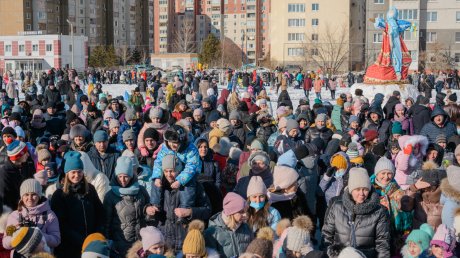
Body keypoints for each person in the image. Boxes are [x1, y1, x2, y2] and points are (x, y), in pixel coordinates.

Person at [322, 167, 390, 258]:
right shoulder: (337, 207)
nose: (361, 193)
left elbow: (382, 243)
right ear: (351, 190)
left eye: (365, 189)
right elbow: (327, 235)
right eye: (357, 189)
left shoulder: (378, 212)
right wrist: (330, 254)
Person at [149, 154, 212, 252]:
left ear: (180, 171)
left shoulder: (194, 186)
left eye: (172, 171)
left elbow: (207, 210)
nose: (169, 174)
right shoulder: (159, 187)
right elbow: (150, 207)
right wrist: (148, 209)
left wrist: (189, 212)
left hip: (186, 242)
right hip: (165, 244)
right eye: (166, 171)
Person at [50, 151, 105, 258]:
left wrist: (97, 234)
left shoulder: (90, 189)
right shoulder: (60, 195)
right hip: (69, 247)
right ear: (67, 174)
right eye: (73, 172)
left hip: (91, 244)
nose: (77, 175)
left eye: (79, 172)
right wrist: (80, 239)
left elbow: (100, 212)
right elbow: (61, 223)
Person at [103, 156, 152, 258]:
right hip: (120, 243)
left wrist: (149, 211)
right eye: (120, 176)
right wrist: (108, 242)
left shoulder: (141, 190)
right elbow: (106, 222)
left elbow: (148, 211)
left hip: (140, 242)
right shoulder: (110, 195)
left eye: (126, 176)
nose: (123, 180)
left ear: (131, 176)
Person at [151, 125, 201, 221]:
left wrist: (180, 180)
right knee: (155, 181)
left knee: (188, 183)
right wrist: (157, 177)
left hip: (187, 173)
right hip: (170, 170)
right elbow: (158, 162)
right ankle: (155, 205)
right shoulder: (166, 147)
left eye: (175, 143)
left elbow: (191, 167)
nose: (172, 145)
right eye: (170, 142)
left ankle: (185, 209)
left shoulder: (191, 149)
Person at [2, 179, 60, 250]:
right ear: (22, 197)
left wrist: (38, 235)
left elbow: (56, 240)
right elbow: (5, 243)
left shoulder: (49, 215)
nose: (30, 198)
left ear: (39, 196)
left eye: (33, 194)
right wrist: (17, 236)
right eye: (26, 195)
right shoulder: (15, 216)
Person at [204, 192, 254, 258]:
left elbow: (252, 252)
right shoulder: (212, 233)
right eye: (241, 212)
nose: (245, 215)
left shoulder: (246, 228)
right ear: (231, 213)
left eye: (245, 211)